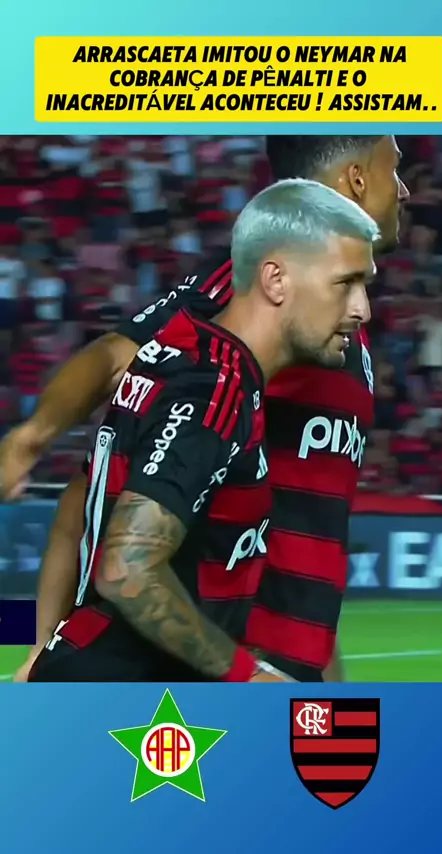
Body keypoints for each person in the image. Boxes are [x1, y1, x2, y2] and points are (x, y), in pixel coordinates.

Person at [7, 135, 407, 683]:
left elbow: (294, 530)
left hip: (275, 667)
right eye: (395, 168)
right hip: (206, 669)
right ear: (357, 177)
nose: (404, 189)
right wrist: (29, 439)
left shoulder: (321, 334)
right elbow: (112, 384)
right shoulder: (235, 329)